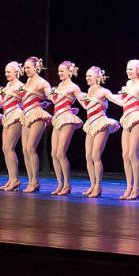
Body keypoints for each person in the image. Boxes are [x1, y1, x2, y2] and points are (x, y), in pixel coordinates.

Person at [80, 66, 123, 197]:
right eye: (86, 75)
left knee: (95, 155)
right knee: (88, 156)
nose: (87, 78)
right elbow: (87, 107)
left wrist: (134, 100)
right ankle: (92, 185)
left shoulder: (103, 91)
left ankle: (98, 186)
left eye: (90, 76)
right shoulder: (88, 91)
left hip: (101, 123)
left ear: (98, 77)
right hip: (91, 123)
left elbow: (118, 101)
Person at [118, 59, 139, 200]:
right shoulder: (128, 84)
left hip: (138, 119)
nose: (128, 71)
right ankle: (128, 187)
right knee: (125, 155)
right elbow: (124, 101)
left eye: (131, 69)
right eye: (127, 69)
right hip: (126, 118)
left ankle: (136, 189)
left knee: (133, 154)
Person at [50, 61, 84, 195]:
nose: (59, 73)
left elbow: (84, 103)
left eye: (62, 71)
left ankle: (67, 185)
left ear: (70, 72)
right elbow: (57, 102)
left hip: (67, 119)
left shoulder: (74, 87)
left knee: (60, 153)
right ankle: (60, 184)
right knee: (53, 154)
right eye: (58, 71)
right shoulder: (59, 85)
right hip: (57, 118)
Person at [20, 57, 53, 194]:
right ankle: (30, 181)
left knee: (30, 148)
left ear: (36, 67)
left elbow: (52, 97)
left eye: (29, 67)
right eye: (25, 68)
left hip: (37, 115)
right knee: (25, 150)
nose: (26, 70)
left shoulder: (42, 82)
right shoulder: (27, 81)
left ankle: (35, 181)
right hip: (26, 114)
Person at [0, 61, 25, 191]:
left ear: (17, 72)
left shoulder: (20, 85)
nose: (6, 74)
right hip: (7, 116)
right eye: (5, 72)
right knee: (5, 148)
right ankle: (11, 179)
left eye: (9, 71)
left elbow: (26, 100)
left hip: (15, 115)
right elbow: (4, 102)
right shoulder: (8, 84)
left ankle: (15, 180)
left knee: (9, 147)